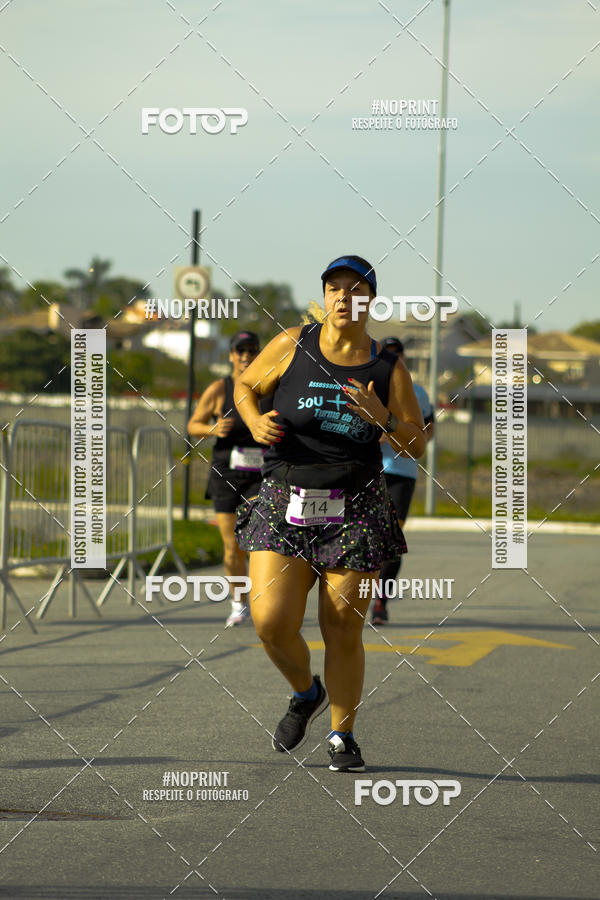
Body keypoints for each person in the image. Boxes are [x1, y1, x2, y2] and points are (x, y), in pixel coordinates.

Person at [233, 256, 426, 771]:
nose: (344, 297)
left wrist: (382, 417)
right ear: (325, 296)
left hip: (356, 504)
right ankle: (305, 692)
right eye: (334, 288)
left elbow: (415, 445)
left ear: (369, 301)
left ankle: (343, 735)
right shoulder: (292, 342)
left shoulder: (386, 367)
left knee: (342, 626)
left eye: (355, 289)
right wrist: (252, 421)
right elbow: (245, 387)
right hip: (285, 498)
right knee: (270, 621)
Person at [188, 331, 265, 627]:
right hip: (226, 473)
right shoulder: (220, 389)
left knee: (259, 542)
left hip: (261, 475)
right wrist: (213, 429)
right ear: (231, 355)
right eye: (240, 350)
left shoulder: (268, 387)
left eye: (252, 350)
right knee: (232, 545)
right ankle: (238, 603)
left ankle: (263, 602)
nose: (246, 355)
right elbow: (193, 424)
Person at [371, 337, 435, 625]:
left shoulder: (417, 392)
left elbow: (429, 430)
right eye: (387, 354)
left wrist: (404, 436)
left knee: (392, 540)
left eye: (397, 354)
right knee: (366, 537)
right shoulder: (369, 388)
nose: (393, 358)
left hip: (402, 473)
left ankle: (381, 602)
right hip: (370, 470)